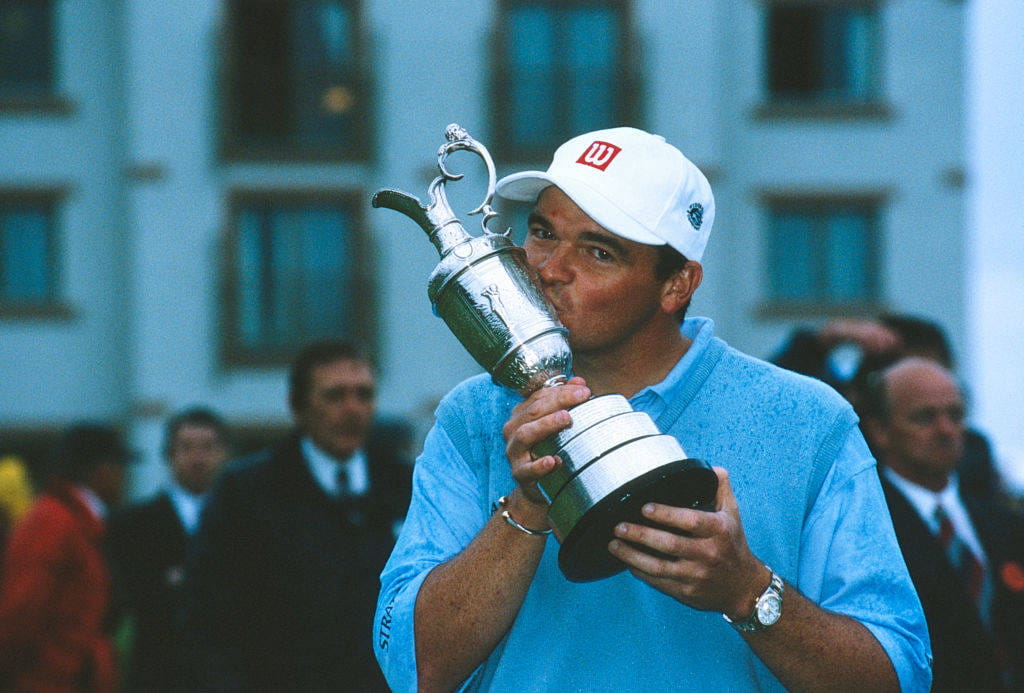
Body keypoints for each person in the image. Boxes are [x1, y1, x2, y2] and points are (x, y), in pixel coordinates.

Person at [374, 127, 931, 691]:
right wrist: (528, 502)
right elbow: (413, 668)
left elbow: (899, 676)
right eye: (542, 233)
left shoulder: (807, 420)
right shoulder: (473, 416)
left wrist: (747, 591)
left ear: (677, 285)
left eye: (598, 251)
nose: (548, 268)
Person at [184, 340, 412, 691]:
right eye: (335, 396)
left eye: (364, 395)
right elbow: (208, 619)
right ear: (298, 406)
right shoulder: (245, 493)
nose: (353, 409)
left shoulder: (406, 485)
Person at [861, 357, 1024, 691]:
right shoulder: (867, 526)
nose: (946, 430)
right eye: (925, 417)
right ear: (879, 429)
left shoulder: (1003, 521)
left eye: (955, 414)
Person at [106, 407, 232, 692]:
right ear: (168, 455)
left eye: (208, 448)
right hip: (159, 674)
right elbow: (140, 596)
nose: (197, 458)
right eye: (186, 448)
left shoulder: (243, 521)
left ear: (225, 455)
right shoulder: (134, 523)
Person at [0, 424, 131, 692]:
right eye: (121, 465)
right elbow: (20, 613)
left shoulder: (76, 521)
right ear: (100, 469)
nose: (125, 477)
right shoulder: (56, 522)